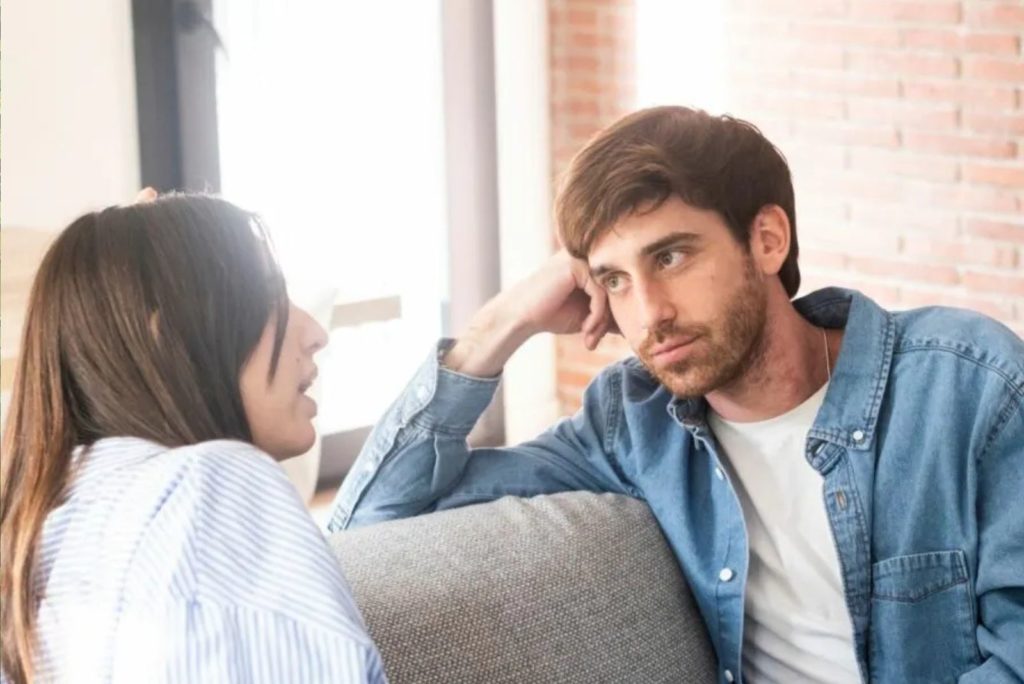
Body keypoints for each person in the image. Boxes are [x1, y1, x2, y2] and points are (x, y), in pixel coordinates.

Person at [327, 106, 1024, 683]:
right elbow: (373, 523)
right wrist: (501, 325)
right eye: (614, 279)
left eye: (670, 256)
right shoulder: (634, 422)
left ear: (768, 240)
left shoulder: (969, 387)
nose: (648, 312)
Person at [0, 195, 385, 683]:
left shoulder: (36, 532)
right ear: (165, 335)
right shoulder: (207, 487)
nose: (313, 332)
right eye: (268, 296)